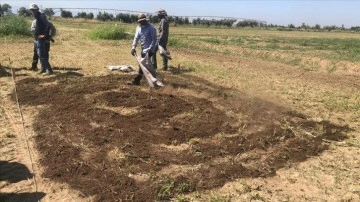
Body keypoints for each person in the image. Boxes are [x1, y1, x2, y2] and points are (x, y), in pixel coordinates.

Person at [129, 13, 158, 86]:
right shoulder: (138, 28)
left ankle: (136, 80)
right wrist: (133, 47)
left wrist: (150, 50)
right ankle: (153, 79)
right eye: (140, 21)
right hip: (143, 49)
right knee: (144, 66)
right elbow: (136, 38)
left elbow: (154, 40)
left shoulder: (151, 28)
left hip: (150, 50)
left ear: (145, 20)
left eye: (143, 21)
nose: (141, 22)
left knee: (143, 65)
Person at [29, 3, 53, 75]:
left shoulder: (40, 17)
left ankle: (49, 70)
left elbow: (47, 28)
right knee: (40, 55)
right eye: (32, 10)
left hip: (41, 40)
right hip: (37, 39)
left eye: (34, 10)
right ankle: (43, 69)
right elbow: (36, 29)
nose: (33, 12)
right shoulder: (37, 18)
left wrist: (45, 35)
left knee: (42, 55)